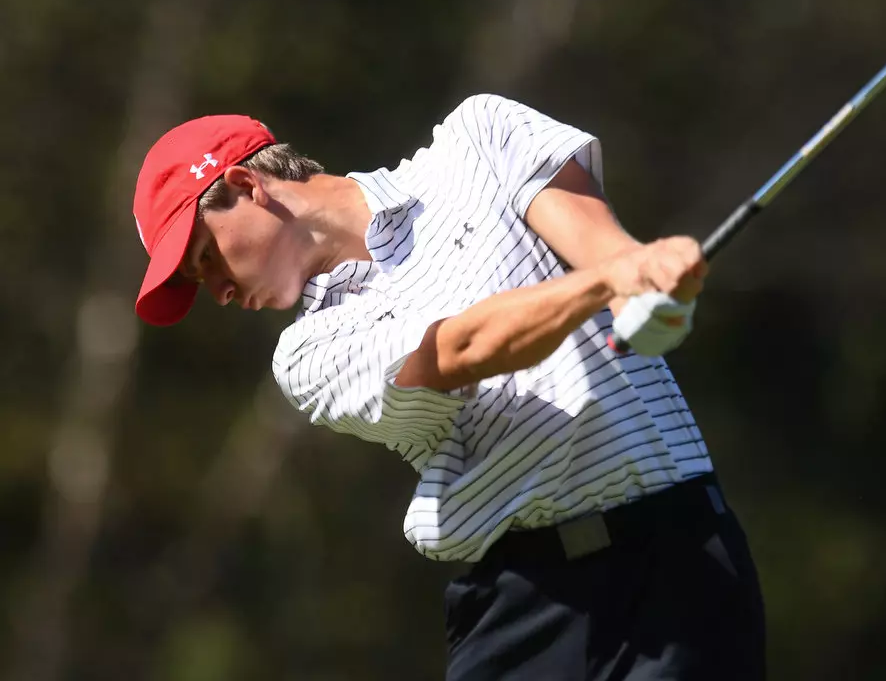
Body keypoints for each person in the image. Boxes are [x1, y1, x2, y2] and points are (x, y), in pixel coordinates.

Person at [132, 94, 766, 680]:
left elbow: (611, 255)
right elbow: (462, 349)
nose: (216, 292)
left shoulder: (479, 139)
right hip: (528, 608)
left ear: (245, 185)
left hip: (684, 566)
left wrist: (646, 279)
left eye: (206, 257)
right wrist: (608, 283)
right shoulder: (308, 354)